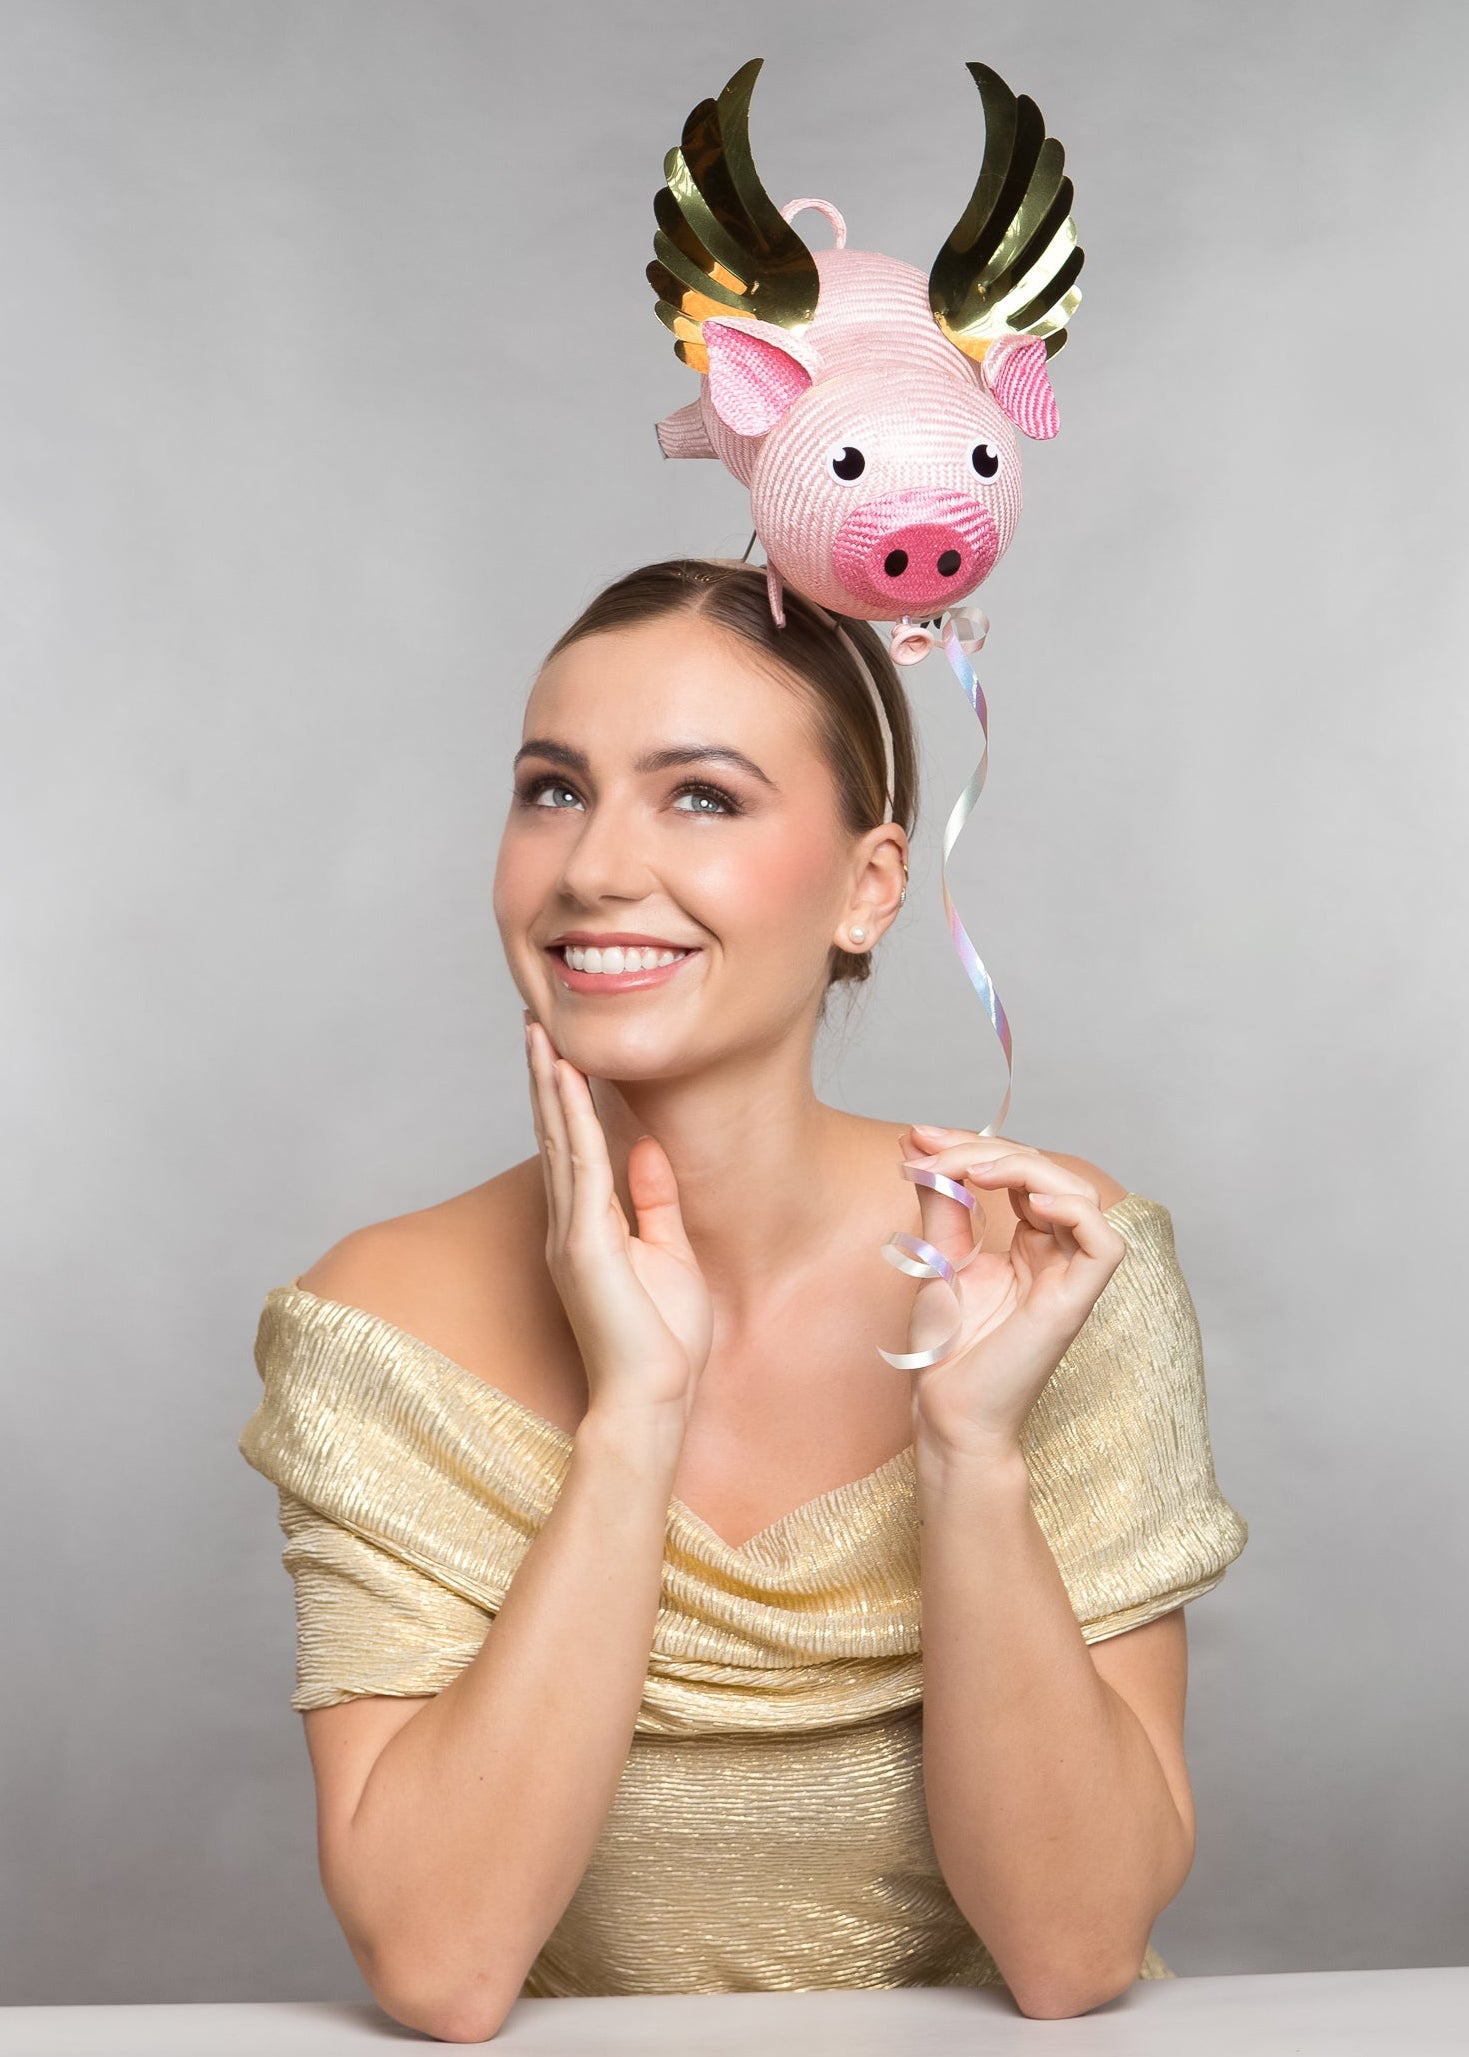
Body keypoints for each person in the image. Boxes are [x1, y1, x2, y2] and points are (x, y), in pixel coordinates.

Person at [238, 555, 1249, 2040]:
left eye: (699, 795)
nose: (590, 868)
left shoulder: (1044, 1258)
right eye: (552, 789)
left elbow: (1072, 1945)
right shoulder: (374, 1321)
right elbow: (441, 1967)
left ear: (867, 885)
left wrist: (970, 1453)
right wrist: (633, 1416)